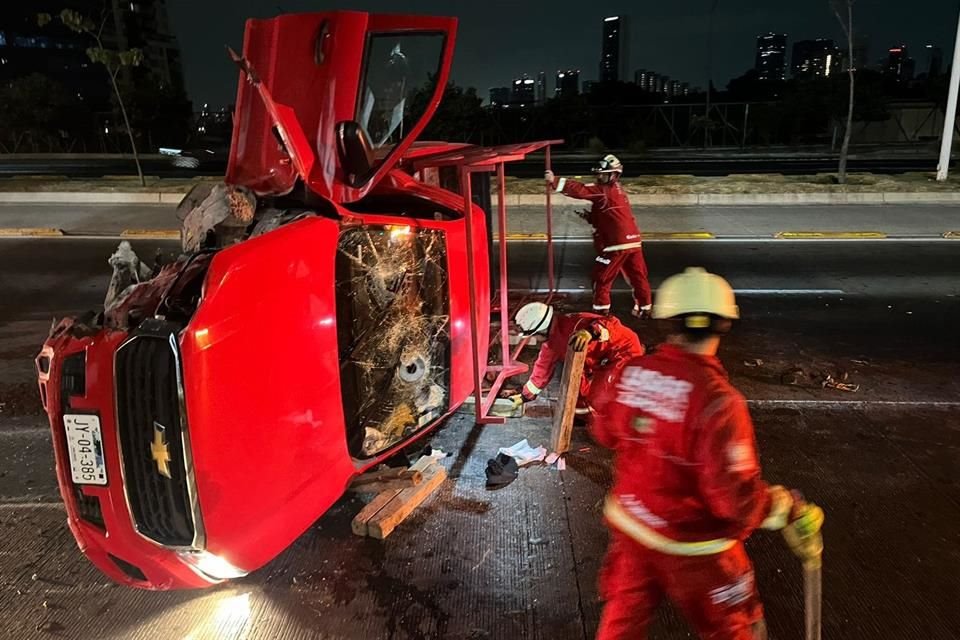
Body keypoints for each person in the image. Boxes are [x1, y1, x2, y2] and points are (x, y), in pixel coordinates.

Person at [588, 267, 824, 640]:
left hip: (633, 531)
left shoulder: (633, 372)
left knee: (620, 626)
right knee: (734, 628)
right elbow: (735, 500)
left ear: (669, 322)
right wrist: (787, 509)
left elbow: (603, 430)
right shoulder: (719, 403)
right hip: (697, 547)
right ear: (723, 325)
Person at [546, 155, 652, 317]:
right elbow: (610, 213)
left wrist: (555, 180)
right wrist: (590, 217)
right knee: (638, 276)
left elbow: (580, 190)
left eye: (603, 174)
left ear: (614, 175)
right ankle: (645, 308)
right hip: (634, 242)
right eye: (599, 174)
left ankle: (601, 313)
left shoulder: (603, 190)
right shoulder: (618, 191)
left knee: (601, 278)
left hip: (616, 244)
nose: (599, 177)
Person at [504, 301, 644, 413]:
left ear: (541, 329)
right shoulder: (554, 339)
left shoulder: (575, 325)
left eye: (533, 335)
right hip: (601, 358)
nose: (534, 339)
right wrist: (524, 395)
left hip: (624, 352)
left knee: (601, 397)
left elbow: (611, 323)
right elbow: (542, 370)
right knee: (580, 389)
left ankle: (622, 414)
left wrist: (591, 332)